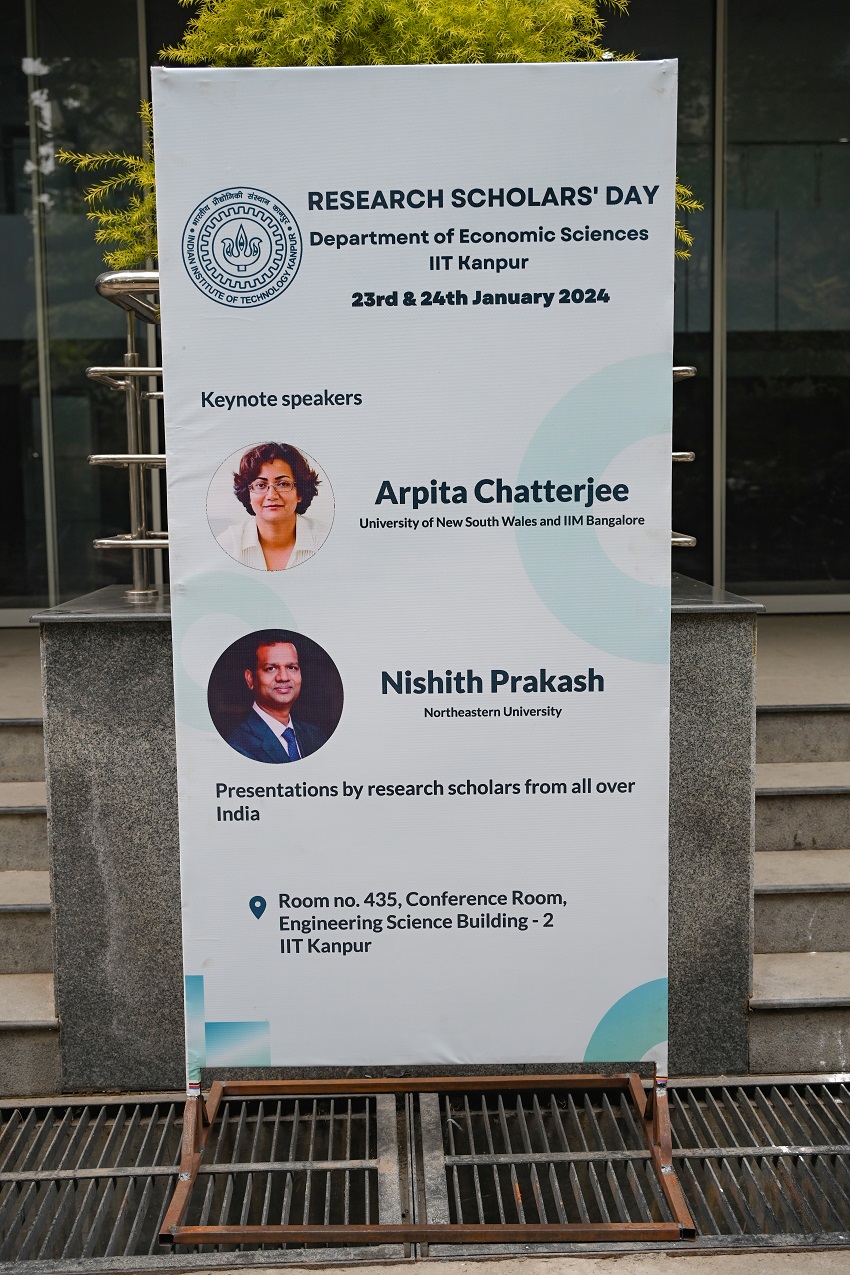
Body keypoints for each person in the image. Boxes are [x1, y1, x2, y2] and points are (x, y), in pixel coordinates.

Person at [216, 442, 328, 570]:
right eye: (261, 485)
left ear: (300, 493)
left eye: (283, 484)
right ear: (248, 494)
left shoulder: (326, 541)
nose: (271, 495)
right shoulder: (228, 544)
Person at [226, 638, 328, 763]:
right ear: (250, 679)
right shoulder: (238, 746)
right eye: (271, 668)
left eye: (291, 667)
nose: (283, 677)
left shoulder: (315, 736)